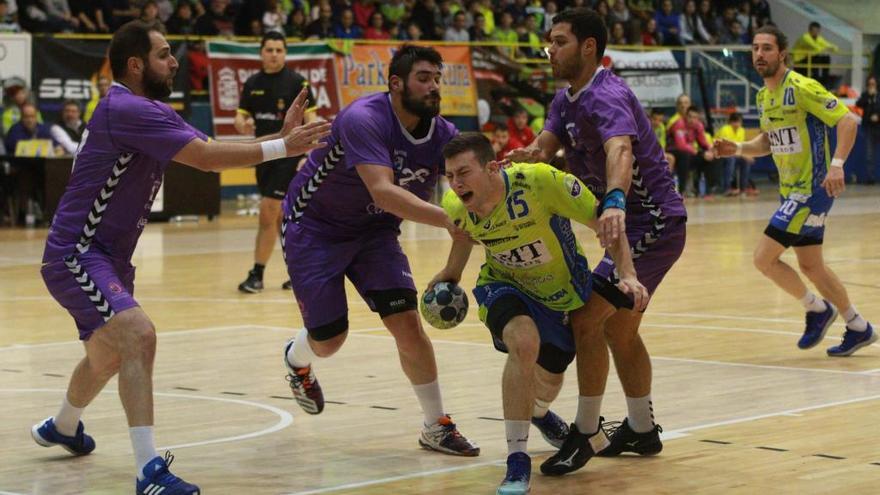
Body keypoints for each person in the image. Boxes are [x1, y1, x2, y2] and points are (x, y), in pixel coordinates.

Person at [33, 20, 329, 495]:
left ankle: (63, 426)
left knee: (107, 356)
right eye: (165, 54)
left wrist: (277, 136)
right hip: (78, 253)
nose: (174, 63)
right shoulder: (126, 107)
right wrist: (281, 146)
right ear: (136, 65)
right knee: (139, 335)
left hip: (107, 257)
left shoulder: (148, 108)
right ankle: (149, 471)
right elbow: (208, 160)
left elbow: (212, 148)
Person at [507, 7, 687, 475]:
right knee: (617, 329)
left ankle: (585, 432)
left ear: (588, 47)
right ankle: (643, 429)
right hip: (628, 227)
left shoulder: (607, 94)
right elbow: (544, 151)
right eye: (550, 40)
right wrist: (520, 163)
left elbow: (619, 149)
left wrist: (613, 201)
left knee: (587, 317)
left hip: (653, 224)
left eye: (560, 40)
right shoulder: (564, 100)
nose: (550, 48)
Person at [280, 44, 480, 457]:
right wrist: (447, 220)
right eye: (424, 78)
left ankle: (436, 425)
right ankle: (298, 360)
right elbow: (385, 192)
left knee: (408, 324)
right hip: (315, 227)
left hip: (374, 231)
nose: (433, 87)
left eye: (437, 79)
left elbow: (470, 183)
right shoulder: (363, 118)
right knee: (330, 340)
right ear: (396, 84)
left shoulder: (443, 134)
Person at [432, 133, 647, 495]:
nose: (455, 183)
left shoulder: (541, 182)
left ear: (492, 167)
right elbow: (462, 241)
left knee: (550, 376)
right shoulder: (455, 205)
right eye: (450, 175)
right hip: (502, 285)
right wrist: (447, 279)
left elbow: (604, 223)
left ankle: (540, 412)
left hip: (560, 295)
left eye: (463, 173)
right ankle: (517, 462)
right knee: (523, 341)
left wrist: (627, 273)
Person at [715, 25, 875, 356]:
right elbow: (768, 142)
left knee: (763, 258)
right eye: (756, 48)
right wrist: (739, 149)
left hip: (812, 189)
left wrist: (838, 164)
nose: (760, 54)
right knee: (812, 266)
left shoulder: (802, 87)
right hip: (791, 192)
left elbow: (846, 122)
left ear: (782, 54)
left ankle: (817, 308)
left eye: (767, 48)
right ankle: (858, 326)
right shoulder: (763, 96)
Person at [236, 31, 315, 294]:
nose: (274, 54)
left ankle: (257, 274)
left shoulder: (297, 83)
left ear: (285, 53)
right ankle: (300, 271)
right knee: (281, 216)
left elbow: (311, 121)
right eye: (269, 50)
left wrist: (308, 155)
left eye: (279, 50)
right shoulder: (252, 83)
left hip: (289, 156)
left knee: (268, 210)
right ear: (261, 52)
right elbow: (240, 118)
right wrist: (243, 123)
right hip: (264, 154)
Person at [715, 112, 753, 195]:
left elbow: (741, 146)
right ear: (730, 122)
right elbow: (726, 148)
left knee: (746, 161)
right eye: (734, 121)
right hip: (720, 153)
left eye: (739, 121)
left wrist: (746, 155)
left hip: (735, 154)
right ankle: (727, 188)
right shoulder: (725, 129)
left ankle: (743, 188)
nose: (737, 124)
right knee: (731, 160)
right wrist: (744, 155)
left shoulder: (742, 130)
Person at [793, 21, 838, 89]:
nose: (816, 33)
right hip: (799, 61)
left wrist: (832, 47)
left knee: (826, 57)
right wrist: (827, 48)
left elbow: (829, 45)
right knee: (817, 57)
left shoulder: (818, 38)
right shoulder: (805, 37)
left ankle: (825, 79)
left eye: (818, 31)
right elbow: (815, 47)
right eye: (815, 31)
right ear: (810, 30)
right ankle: (816, 78)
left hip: (809, 59)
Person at [855, 75, 880, 184]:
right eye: (870, 84)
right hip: (869, 127)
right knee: (869, 154)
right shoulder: (865, 96)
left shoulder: (879, 96)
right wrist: (869, 97)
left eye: (873, 84)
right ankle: (871, 177)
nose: (871, 86)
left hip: (878, 126)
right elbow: (858, 104)